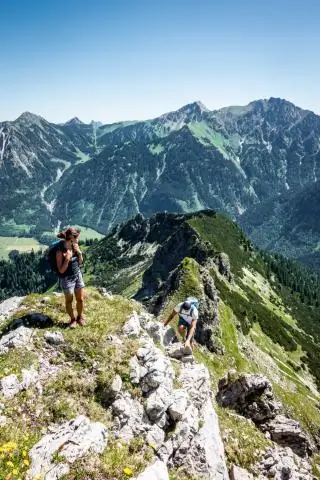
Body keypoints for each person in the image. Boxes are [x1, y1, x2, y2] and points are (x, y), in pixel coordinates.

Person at [56, 227, 85, 328]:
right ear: (72, 238)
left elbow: (80, 262)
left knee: (80, 299)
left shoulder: (75, 246)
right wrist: (67, 258)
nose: (78, 240)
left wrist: (79, 253)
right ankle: (72, 320)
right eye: (77, 238)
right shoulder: (60, 251)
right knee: (69, 301)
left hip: (77, 275)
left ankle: (80, 317)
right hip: (67, 279)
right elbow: (61, 270)